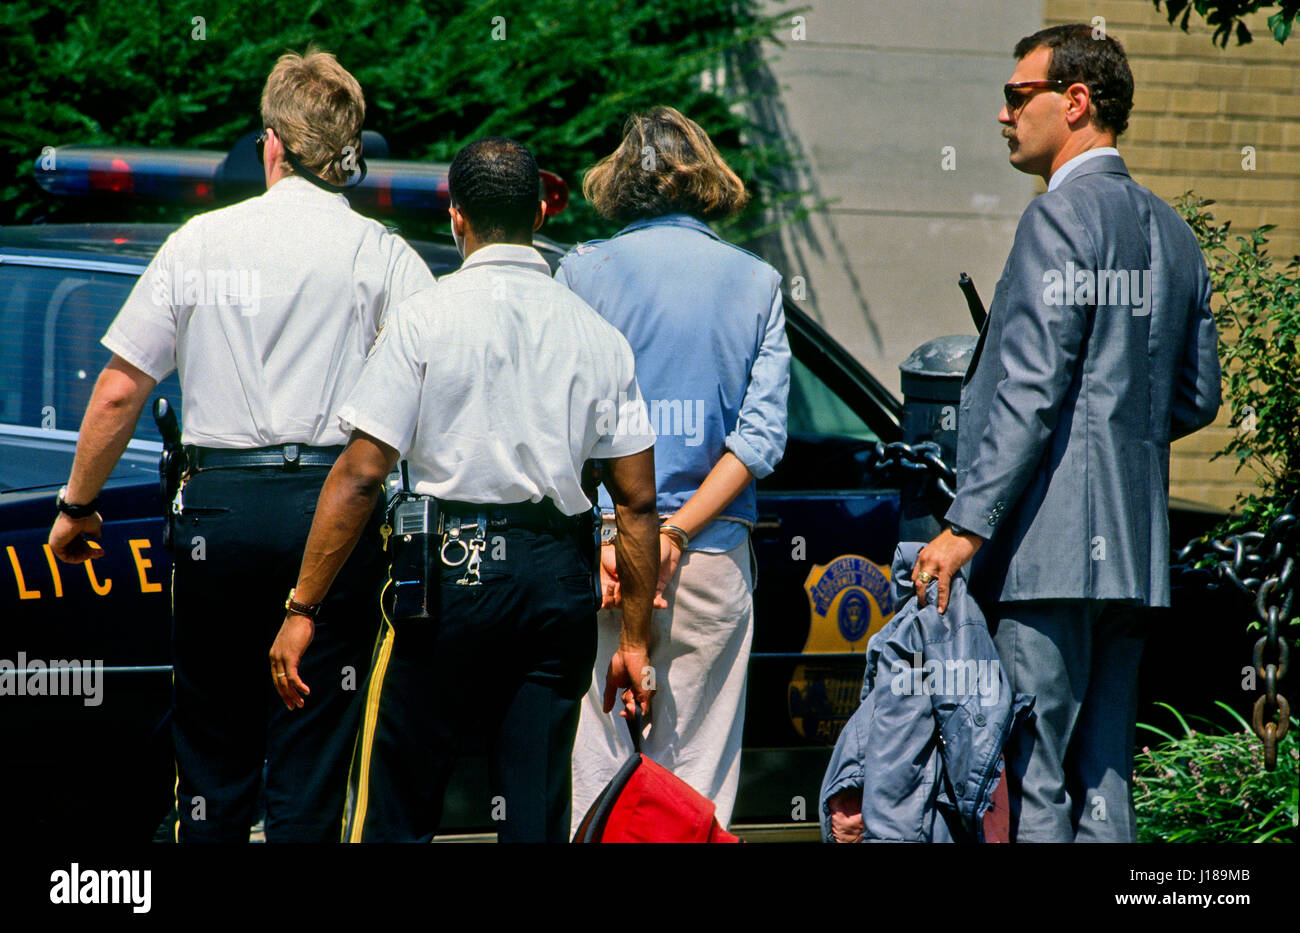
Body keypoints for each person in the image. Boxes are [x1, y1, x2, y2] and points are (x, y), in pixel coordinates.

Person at [47, 49, 435, 842]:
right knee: (315, 751)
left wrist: (77, 506)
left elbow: (122, 388)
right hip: (337, 516)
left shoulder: (199, 242)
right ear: (348, 149)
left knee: (212, 757)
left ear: (271, 144)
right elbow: (434, 386)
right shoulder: (383, 253)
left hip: (218, 517)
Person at [268, 136, 660, 843]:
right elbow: (634, 501)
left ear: (457, 217)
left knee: (395, 805)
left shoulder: (426, 317)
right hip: (554, 584)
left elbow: (360, 473)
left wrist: (303, 607)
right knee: (534, 817)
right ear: (540, 214)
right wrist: (634, 640)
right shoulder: (600, 337)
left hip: (444, 582)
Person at [907, 25, 1221, 842]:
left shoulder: (1058, 219)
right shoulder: (1176, 235)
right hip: (1133, 554)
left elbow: (1032, 388)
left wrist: (964, 525)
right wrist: (1114, 436)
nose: (1002, 116)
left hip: (1045, 554)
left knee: (1031, 777)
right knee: (1107, 781)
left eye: (1018, 97)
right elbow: (1195, 398)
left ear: (1076, 102)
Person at [559, 106, 790, 834]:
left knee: (593, 763)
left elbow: (562, 427)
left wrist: (614, 534)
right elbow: (759, 441)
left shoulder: (580, 271)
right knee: (699, 774)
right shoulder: (756, 282)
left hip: (599, 558)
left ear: (624, 180)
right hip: (710, 554)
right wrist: (676, 533)